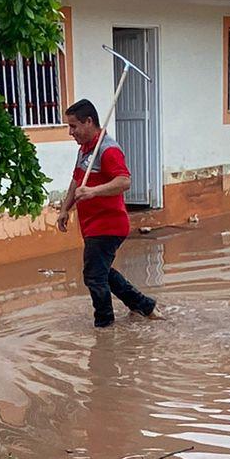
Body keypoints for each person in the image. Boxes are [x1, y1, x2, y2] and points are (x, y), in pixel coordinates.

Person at [57, 98, 158, 328]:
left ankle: (105, 326)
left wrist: (93, 192)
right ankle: (144, 306)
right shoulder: (84, 150)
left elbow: (124, 181)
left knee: (93, 276)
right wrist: (65, 209)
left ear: (88, 122)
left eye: (73, 126)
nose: (70, 132)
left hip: (108, 225)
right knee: (100, 271)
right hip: (91, 224)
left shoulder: (108, 149)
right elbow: (76, 181)